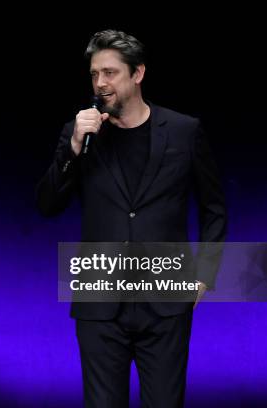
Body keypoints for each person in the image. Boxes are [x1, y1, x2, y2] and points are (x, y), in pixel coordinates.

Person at [36, 30, 227, 407]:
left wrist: (204, 277)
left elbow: (214, 208)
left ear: (137, 73)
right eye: (94, 74)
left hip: (166, 301)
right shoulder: (81, 134)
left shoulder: (184, 131)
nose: (100, 83)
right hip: (99, 301)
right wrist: (73, 147)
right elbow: (47, 204)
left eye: (110, 73)